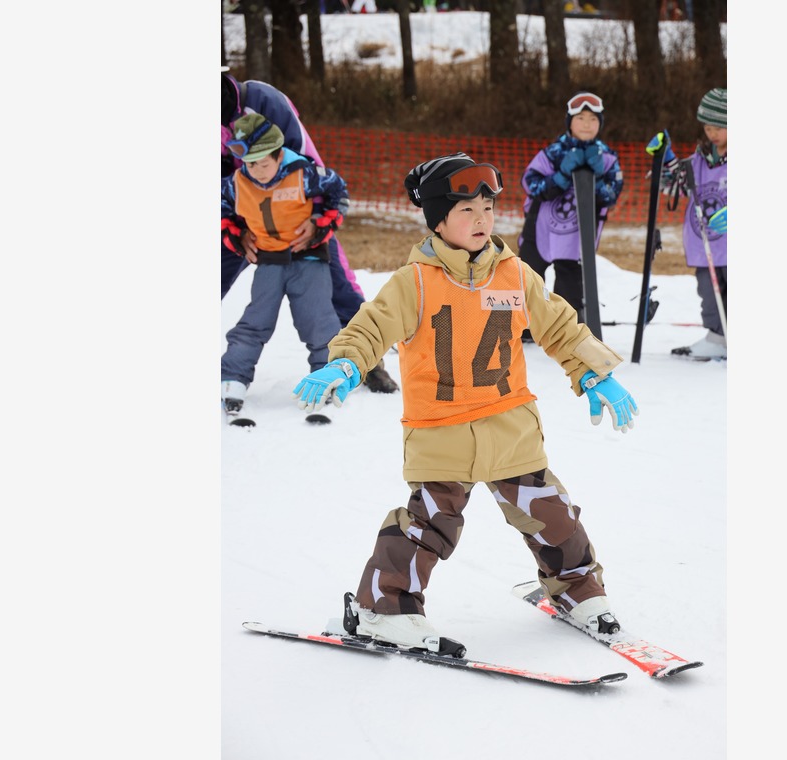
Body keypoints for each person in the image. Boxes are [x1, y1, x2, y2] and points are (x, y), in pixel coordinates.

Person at [291, 153, 639, 652]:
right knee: (430, 525)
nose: (481, 220)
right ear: (438, 220)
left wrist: (592, 372)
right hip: (440, 428)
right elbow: (373, 325)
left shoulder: (515, 275)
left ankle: (577, 591)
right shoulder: (414, 281)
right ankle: (382, 609)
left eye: (487, 209)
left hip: (510, 425)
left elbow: (559, 326)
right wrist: (347, 363)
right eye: (466, 211)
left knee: (553, 515)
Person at [222, 68, 398, 392]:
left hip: (299, 214)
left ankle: (367, 360)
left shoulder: (262, 101)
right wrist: (232, 232)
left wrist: (318, 221)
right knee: (253, 311)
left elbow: (314, 170)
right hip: (247, 215)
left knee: (336, 291)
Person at [220, 112, 353, 424]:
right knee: (255, 321)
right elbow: (222, 208)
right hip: (269, 260)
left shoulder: (306, 173)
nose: (257, 171)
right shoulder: (236, 184)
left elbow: (339, 194)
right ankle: (233, 378)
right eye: (250, 164)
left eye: (263, 163)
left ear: (278, 155)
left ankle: (326, 375)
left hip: (308, 259)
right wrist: (235, 234)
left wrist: (321, 224)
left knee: (319, 321)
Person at [517, 92, 623, 335]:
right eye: (581, 118)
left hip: (578, 234)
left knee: (570, 281)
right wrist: (560, 177)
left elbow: (612, 194)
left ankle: (564, 330)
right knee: (530, 275)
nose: (587, 124)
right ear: (570, 122)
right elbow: (530, 183)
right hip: (541, 229)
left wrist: (595, 181)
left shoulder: (606, 158)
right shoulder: (552, 153)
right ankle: (524, 325)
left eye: (593, 120)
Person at [663, 87, 727, 360]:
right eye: (708, 127)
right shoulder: (699, 159)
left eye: (719, 127)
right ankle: (717, 337)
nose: (712, 133)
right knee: (708, 291)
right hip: (706, 242)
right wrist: (665, 159)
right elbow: (674, 185)